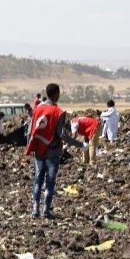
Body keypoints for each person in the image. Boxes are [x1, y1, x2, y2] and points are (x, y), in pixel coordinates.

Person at [26, 83, 82, 219]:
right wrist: (79, 144)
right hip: (52, 152)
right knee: (50, 182)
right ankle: (46, 210)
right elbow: (62, 134)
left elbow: (30, 130)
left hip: (38, 150)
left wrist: (30, 146)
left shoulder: (38, 109)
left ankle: (35, 210)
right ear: (56, 94)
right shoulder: (58, 113)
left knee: (37, 180)